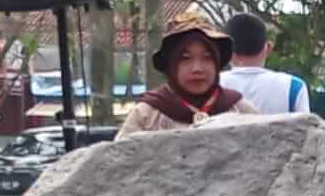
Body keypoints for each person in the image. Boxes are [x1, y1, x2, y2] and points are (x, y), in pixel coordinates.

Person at [118, 10, 260, 136]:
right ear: (171, 65)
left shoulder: (241, 110)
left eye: (207, 57)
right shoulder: (145, 116)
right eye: (185, 58)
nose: (197, 68)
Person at [221, 11, 310, 115]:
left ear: (225, 49)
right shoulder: (294, 86)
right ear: (268, 48)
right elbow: (306, 129)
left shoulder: (210, 87)